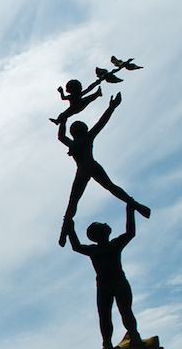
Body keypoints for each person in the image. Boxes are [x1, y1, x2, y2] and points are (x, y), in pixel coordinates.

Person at [57, 92, 150, 246]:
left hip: (88, 167)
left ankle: (136, 205)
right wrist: (63, 119)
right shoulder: (75, 143)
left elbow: (101, 123)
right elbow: (61, 136)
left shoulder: (80, 141)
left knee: (104, 190)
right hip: (85, 169)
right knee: (75, 200)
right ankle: (65, 229)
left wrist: (111, 108)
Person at [65, 203, 142, 349]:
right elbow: (76, 246)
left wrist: (130, 209)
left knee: (124, 310)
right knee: (105, 316)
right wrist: (70, 227)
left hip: (118, 281)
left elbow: (130, 232)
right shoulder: (95, 250)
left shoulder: (113, 245)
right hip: (104, 286)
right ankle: (107, 343)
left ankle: (133, 334)